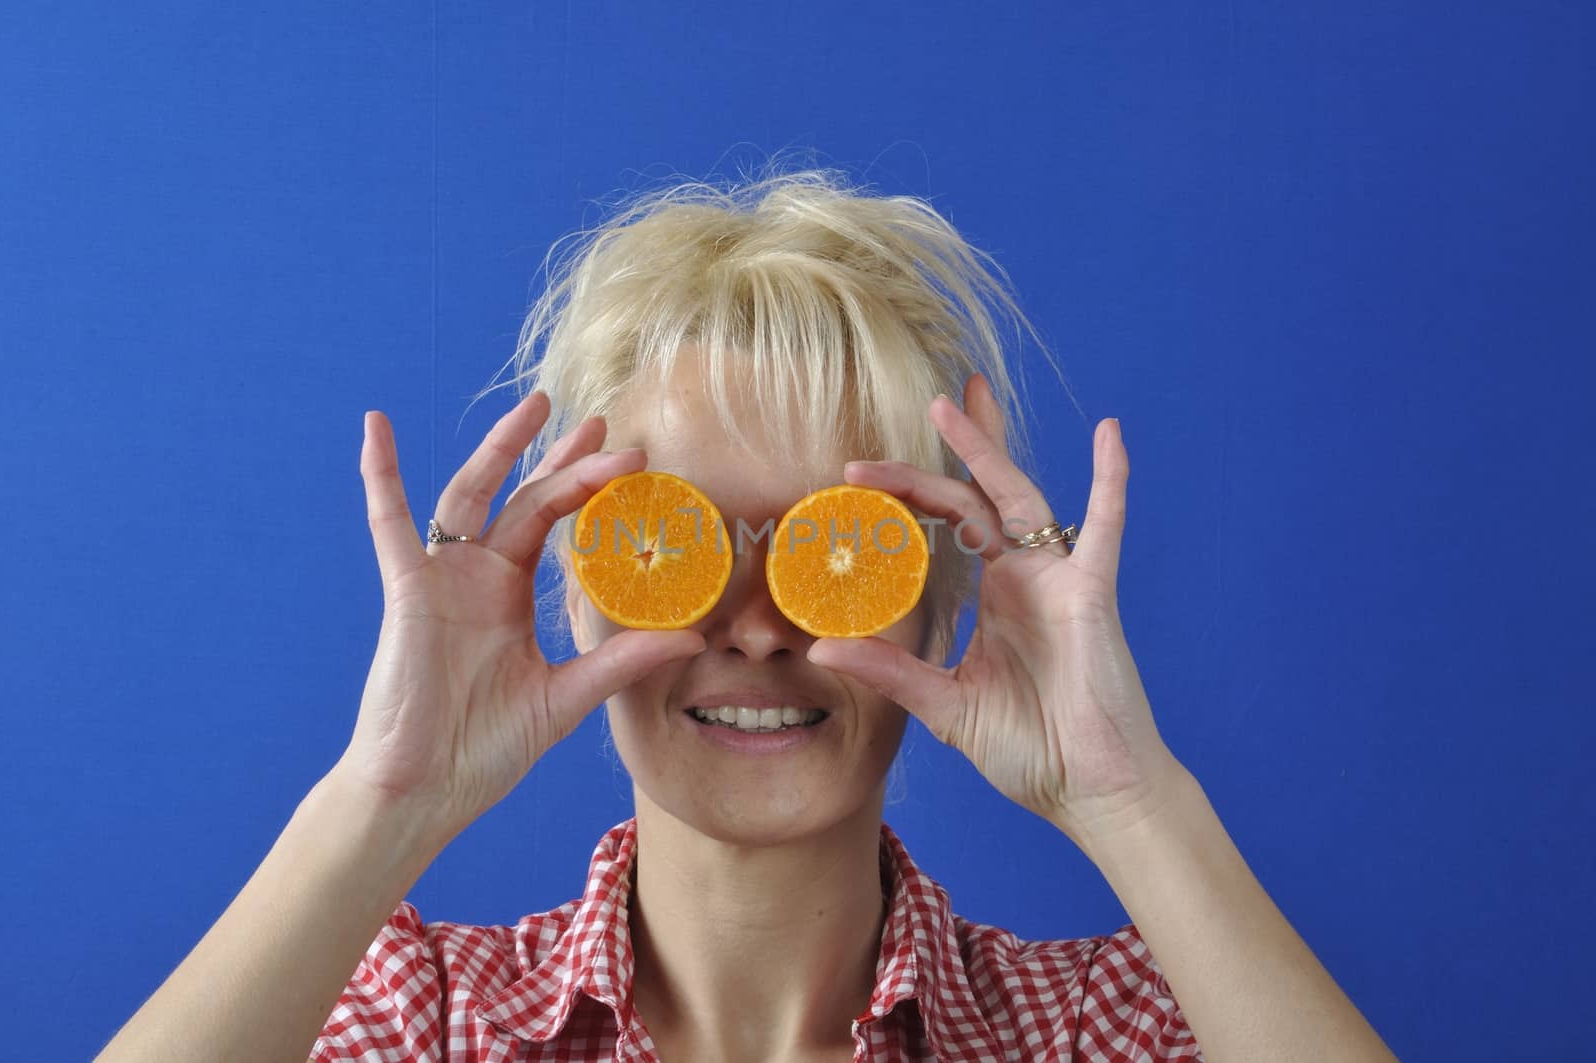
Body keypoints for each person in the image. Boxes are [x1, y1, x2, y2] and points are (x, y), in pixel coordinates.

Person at [96, 165, 1398, 1063]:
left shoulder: (1100, 1029)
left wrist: (1129, 798)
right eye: (678, 541)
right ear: (580, 582)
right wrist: (384, 801)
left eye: (838, 545)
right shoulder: (425, 1018)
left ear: (941, 598)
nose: (762, 623)